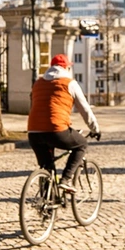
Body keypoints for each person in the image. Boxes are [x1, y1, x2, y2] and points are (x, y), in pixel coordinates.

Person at [27, 54, 100, 195]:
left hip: (34, 132)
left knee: (47, 167)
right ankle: (66, 180)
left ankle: (47, 207)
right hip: (56, 129)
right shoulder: (69, 83)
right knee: (81, 144)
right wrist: (95, 129)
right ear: (66, 67)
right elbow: (84, 109)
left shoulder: (38, 83)